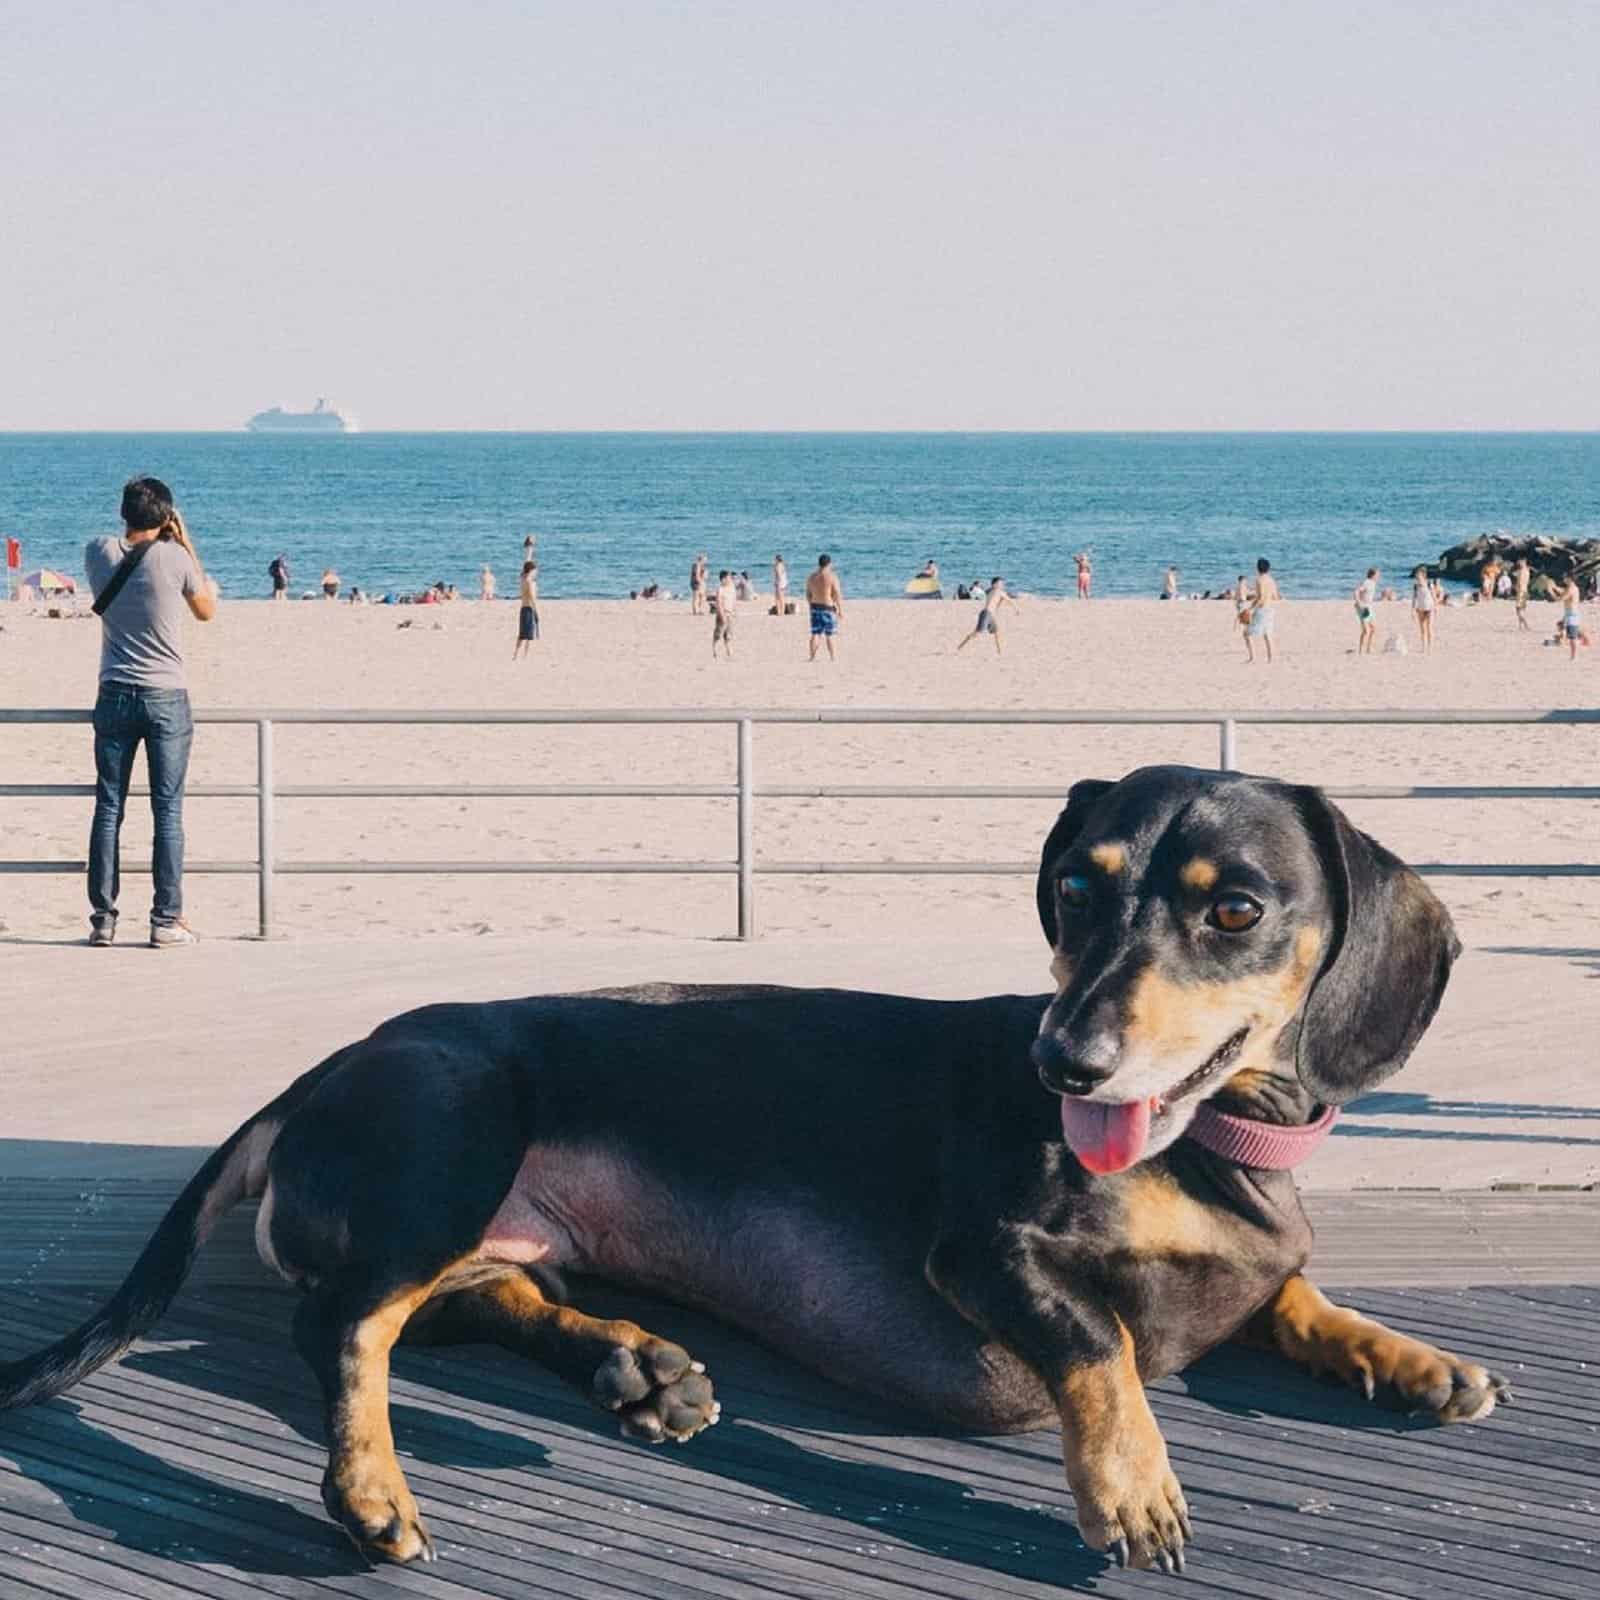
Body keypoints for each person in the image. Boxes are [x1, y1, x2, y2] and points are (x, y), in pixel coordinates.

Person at [83, 476, 217, 948]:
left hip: (114, 692)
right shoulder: (176, 557)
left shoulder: (98, 551)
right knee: (167, 810)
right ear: (166, 516)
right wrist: (185, 540)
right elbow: (205, 609)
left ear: (124, 513)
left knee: (108, 806)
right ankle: (165, 920)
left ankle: (103, 918)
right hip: (166, 696)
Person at [955, 575, 1018, 654]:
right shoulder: (998, 591)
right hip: (986, 614)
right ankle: (960, 646)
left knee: (996, 632)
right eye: (999, 583)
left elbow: (997, 602)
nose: (1001, 585)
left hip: (990, 615)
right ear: (994, 585)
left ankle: (1000, 652)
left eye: (1002, 583)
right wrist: (1017, 609)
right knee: (977, 633)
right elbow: (1009, 600)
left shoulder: (991, 591)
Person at [806, 553, 844, 661]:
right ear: (829, 564)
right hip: (828, 607)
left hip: (815, 607)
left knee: (815, 634)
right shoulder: (832, 576)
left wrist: (810, 605)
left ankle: (812, 657)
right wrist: (840, 609)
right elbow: (837, 594)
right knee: (829, 634)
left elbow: (808, 594)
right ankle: (833, 657)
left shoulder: (812, 576)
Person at [1244, 558, 1279, 664]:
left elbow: (1261, 598)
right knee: (1267, 634)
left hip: (1262, 610)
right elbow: (1276, 596)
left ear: (1258, 568)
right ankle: (1271, 659)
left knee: (1246, 633)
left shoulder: (1259, 580)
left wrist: (1250, 609)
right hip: (1270, 609)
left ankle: (1252, 658)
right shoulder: (1271, 580)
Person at [1554, 575, 1585, 660]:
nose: (1564, 579)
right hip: (1569, 613)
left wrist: (1553, 594)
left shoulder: (1572, 588)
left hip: (1572, 614)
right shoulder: (1571, 587)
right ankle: (1573, 654)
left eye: (1565, 578)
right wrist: (1555, 588)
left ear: (1570, 579)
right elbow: (1563, 591)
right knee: (1565, 630)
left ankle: (1574, 656)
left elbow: (1563, 597)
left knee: (1572, 637)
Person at [514, 561, 539, 659]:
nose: (536, 572)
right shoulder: (530, 582)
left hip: (523, 608)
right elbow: (532, 597)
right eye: (535, 570)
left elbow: (524, 566)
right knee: (529, 635)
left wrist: (529, 551)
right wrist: (536, 610)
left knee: (522, 634)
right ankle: (526, 655)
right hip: (529, 608)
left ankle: (516, 654)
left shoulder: (522, 579)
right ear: (531, 570)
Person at [1353, 567, 1379, 655]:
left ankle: (1368, 648)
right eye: (1377, 574)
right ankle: (1360, 651)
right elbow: (1356, 591)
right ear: (1373, 575)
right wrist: (1359, 603)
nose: (1379, 576)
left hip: (1369, 608)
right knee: (1365, 631)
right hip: (1364, 608)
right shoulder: (1366, 582)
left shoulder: (1373, 583)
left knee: (1374, 628)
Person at [1411, 565, 1436, 654]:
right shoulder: (1415, 586)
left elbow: (1434, 597)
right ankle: (1423, 647)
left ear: (1423, 575)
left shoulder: (1429, 584)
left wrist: (1436, 608)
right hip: (1420, 608)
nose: (1417, 577)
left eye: (1419, 575)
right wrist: (1412, 610)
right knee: (1422, 630)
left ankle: (1430, 647)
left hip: (1430, 608)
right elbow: (1414, 598)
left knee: (1429, 628)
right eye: (1416, 575)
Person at [712, 569, 736, 659]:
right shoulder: (720, 589)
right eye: (728, 578)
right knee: (719, 632)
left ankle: (729, 650)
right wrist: (721, 614)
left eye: (730, 577)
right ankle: (715, 648)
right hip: (722, 613)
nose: (730, 579)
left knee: (729, 633)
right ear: (723, 579)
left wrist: (734, 610)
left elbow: (733, 599)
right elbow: (719, 603)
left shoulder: (732, 587)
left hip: (730, 613)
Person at [1513, 557, 1531, 630]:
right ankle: (1520, 626)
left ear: (1524, 562)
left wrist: (1516, 587)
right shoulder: (1527, 571)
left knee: (1518, 609)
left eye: (1520, 562)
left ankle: (1526, 625)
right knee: (1522, 609)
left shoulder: (1521, 571)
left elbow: (1520, 582)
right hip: (1525, 590)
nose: (1519, 563)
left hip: (1521, 591)